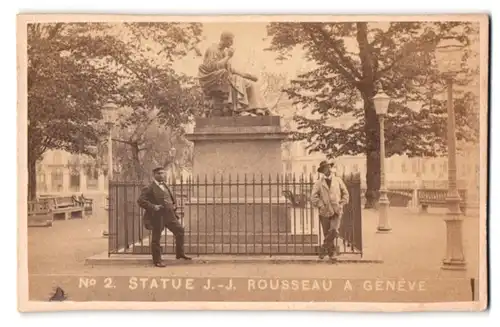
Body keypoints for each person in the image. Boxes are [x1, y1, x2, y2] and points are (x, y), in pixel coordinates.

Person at [198, 31, 270, 116]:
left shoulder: (224, 52)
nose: (232, 43)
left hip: (224, 75)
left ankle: (259, 108)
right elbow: (214, 67)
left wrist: (247, 76)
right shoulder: (213, 49)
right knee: (235, 79)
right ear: (225, 39)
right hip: (212, 78)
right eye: (230, 41)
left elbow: (230, 69)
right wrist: (228, 56)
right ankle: (239, 109)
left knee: (251, 84)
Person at [137, 167, 191, 267]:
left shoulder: (166, 185)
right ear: (154, 175)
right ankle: (157, 261)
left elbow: (170, 197)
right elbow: (141, 201)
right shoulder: (149, 188)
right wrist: (153, 207)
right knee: (156, 238)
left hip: (170, 215)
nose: (162, 175)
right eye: (160, 173)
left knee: (180, 231)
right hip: (158, 216)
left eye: (163, 173)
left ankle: (180, 254)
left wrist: (174, 204)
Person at [310, 160, 350, 260]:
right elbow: (313, 197)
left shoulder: (338, 180)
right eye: (325, 168)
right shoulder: (318, 183)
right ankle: (332, 254)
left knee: (334, 231)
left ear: (330, 168)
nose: (327, 170)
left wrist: (341, 203)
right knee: (327, 233)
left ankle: (323, 249)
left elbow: (346, 194)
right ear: (322, 171)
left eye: (328, 167)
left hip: (336, 210)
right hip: (324, 212)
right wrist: (321, 205)